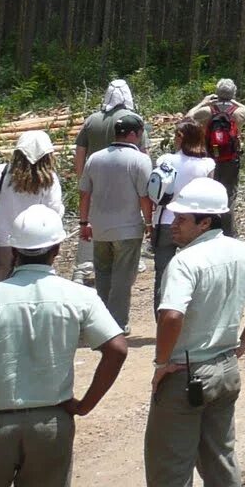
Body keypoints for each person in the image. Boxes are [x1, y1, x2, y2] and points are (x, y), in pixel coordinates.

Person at [144, 179, 245, 487]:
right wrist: (243, 343)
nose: (173, 225)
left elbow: (172, 315)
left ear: (205, 222)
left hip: (186, 374)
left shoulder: (185, 262)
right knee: (220, 460)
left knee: (171, 470)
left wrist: (161, 363)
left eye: (182, 219)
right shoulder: (242, 251)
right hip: (226, 370)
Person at [0, 206, 128, 487]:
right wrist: (85, 405)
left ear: (13, 250)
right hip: (51, 422)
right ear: (56, 249)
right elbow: (116, 349)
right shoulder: (79, 296)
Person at [78, 112, 153, 331]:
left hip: (100, 228)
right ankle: (117, 323)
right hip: (128, 228)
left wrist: (84, 223)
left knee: (102, 274)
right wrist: (149, 224)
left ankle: (100, 321)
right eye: (139, 134)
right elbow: (144, 197)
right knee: (123, 277)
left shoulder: (95, 158)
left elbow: (84, 193)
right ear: (132, 134)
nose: (140, 138)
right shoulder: (140, 160)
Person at [71, 79, 140, 283]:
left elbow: (80, 152)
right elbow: (142, 154)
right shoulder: (133, 120)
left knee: (90, 220)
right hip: (126, 182)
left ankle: (82, 269)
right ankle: (120, 264)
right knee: (125, 221)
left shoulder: (92, 121)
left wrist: (82, 179)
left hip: (95, 180)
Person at [148, 121, 216, 314]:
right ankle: (191, 318)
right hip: (195, 225)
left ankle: (162, 321)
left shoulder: (164, 160)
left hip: (165, 221)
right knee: (197, 273)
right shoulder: (207, 164)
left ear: (180, 137)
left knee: (162, 275)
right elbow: (208, 195)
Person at [185, 79, 245, 235]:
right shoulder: (238, 112)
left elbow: (188, 118)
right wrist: (234, 101)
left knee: (208, 193)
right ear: (233, 93)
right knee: (229, 196)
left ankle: (209, 229)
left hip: (209, 159)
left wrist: (203, 102)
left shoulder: (207, 111)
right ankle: (229, 233)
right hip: (231, 159)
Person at [0, 131, 65, 282]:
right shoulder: (49, 179)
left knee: (2, 279)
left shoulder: (0, 172)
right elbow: (54, 211)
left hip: (2, 240)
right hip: (34, 241)